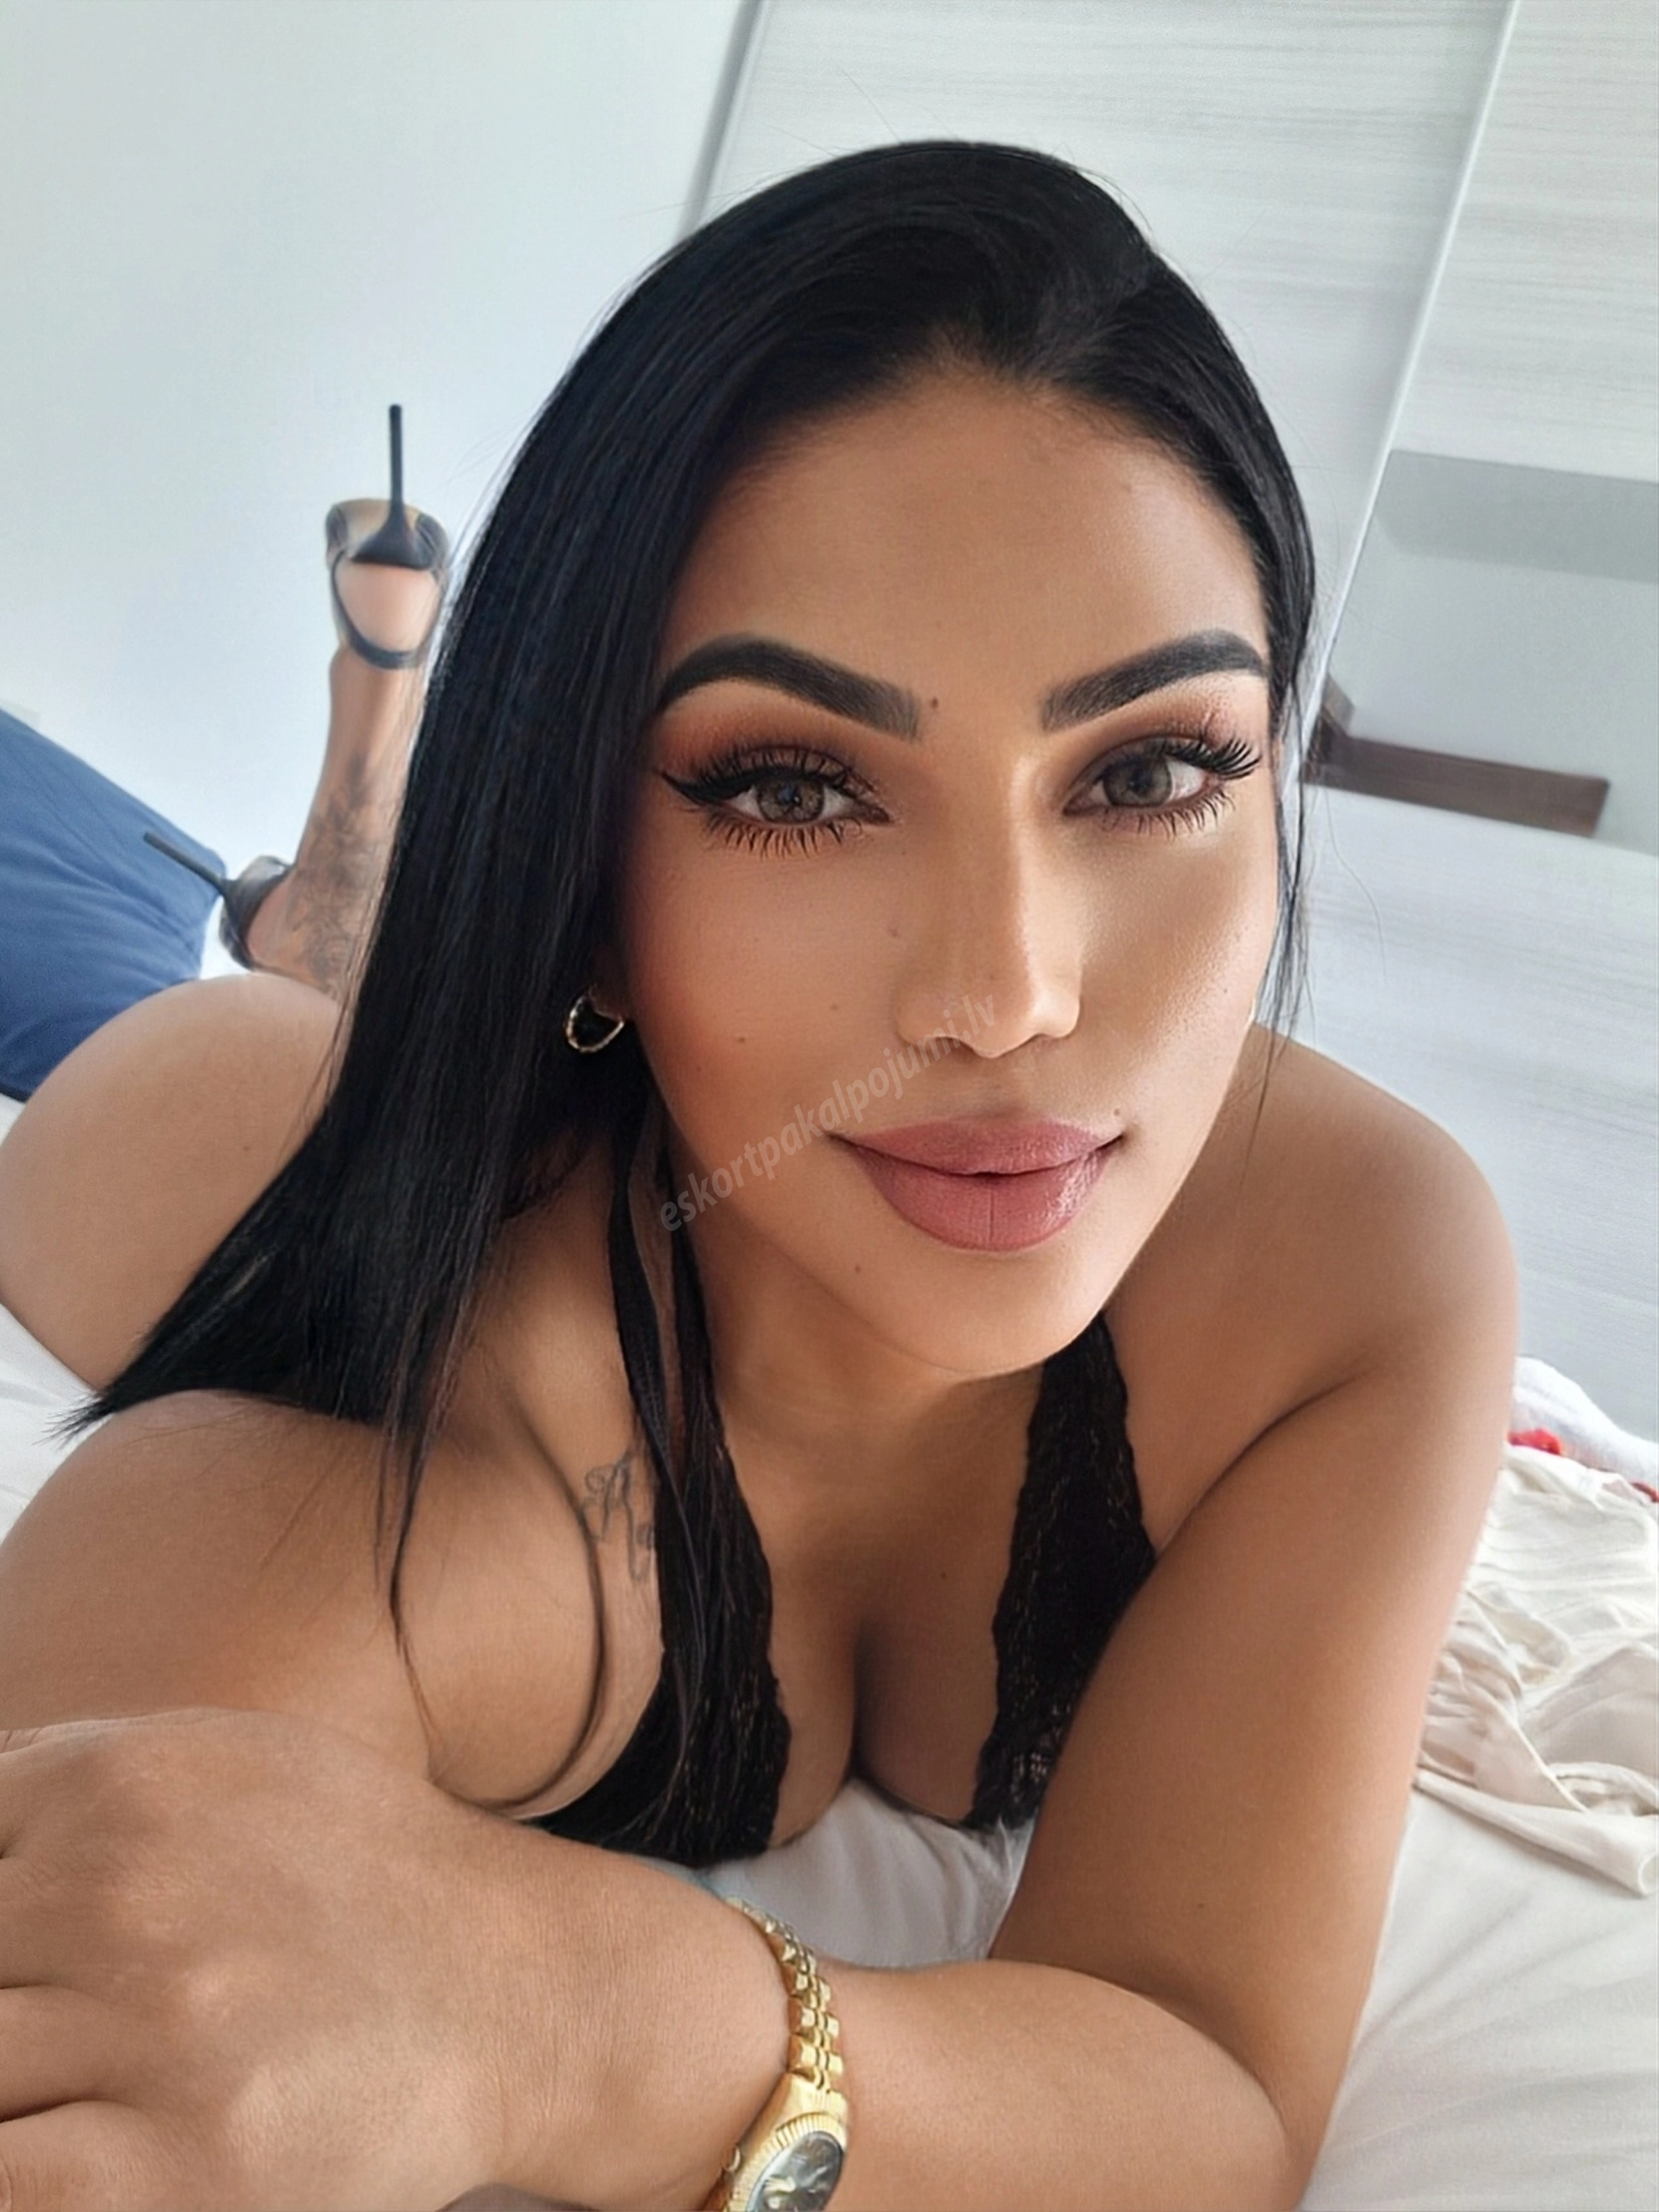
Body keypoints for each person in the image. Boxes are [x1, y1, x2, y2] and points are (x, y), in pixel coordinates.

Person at [0, 141, 1516, 2212]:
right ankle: (332, 861)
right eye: (796, 788)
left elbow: (1212, 2094)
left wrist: (571, 2013)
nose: (1007, 994)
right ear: (585, 873)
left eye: (1153, 767)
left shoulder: (1365, 1275)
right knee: (200, 978)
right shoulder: (353, 1514)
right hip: (183, 1093)